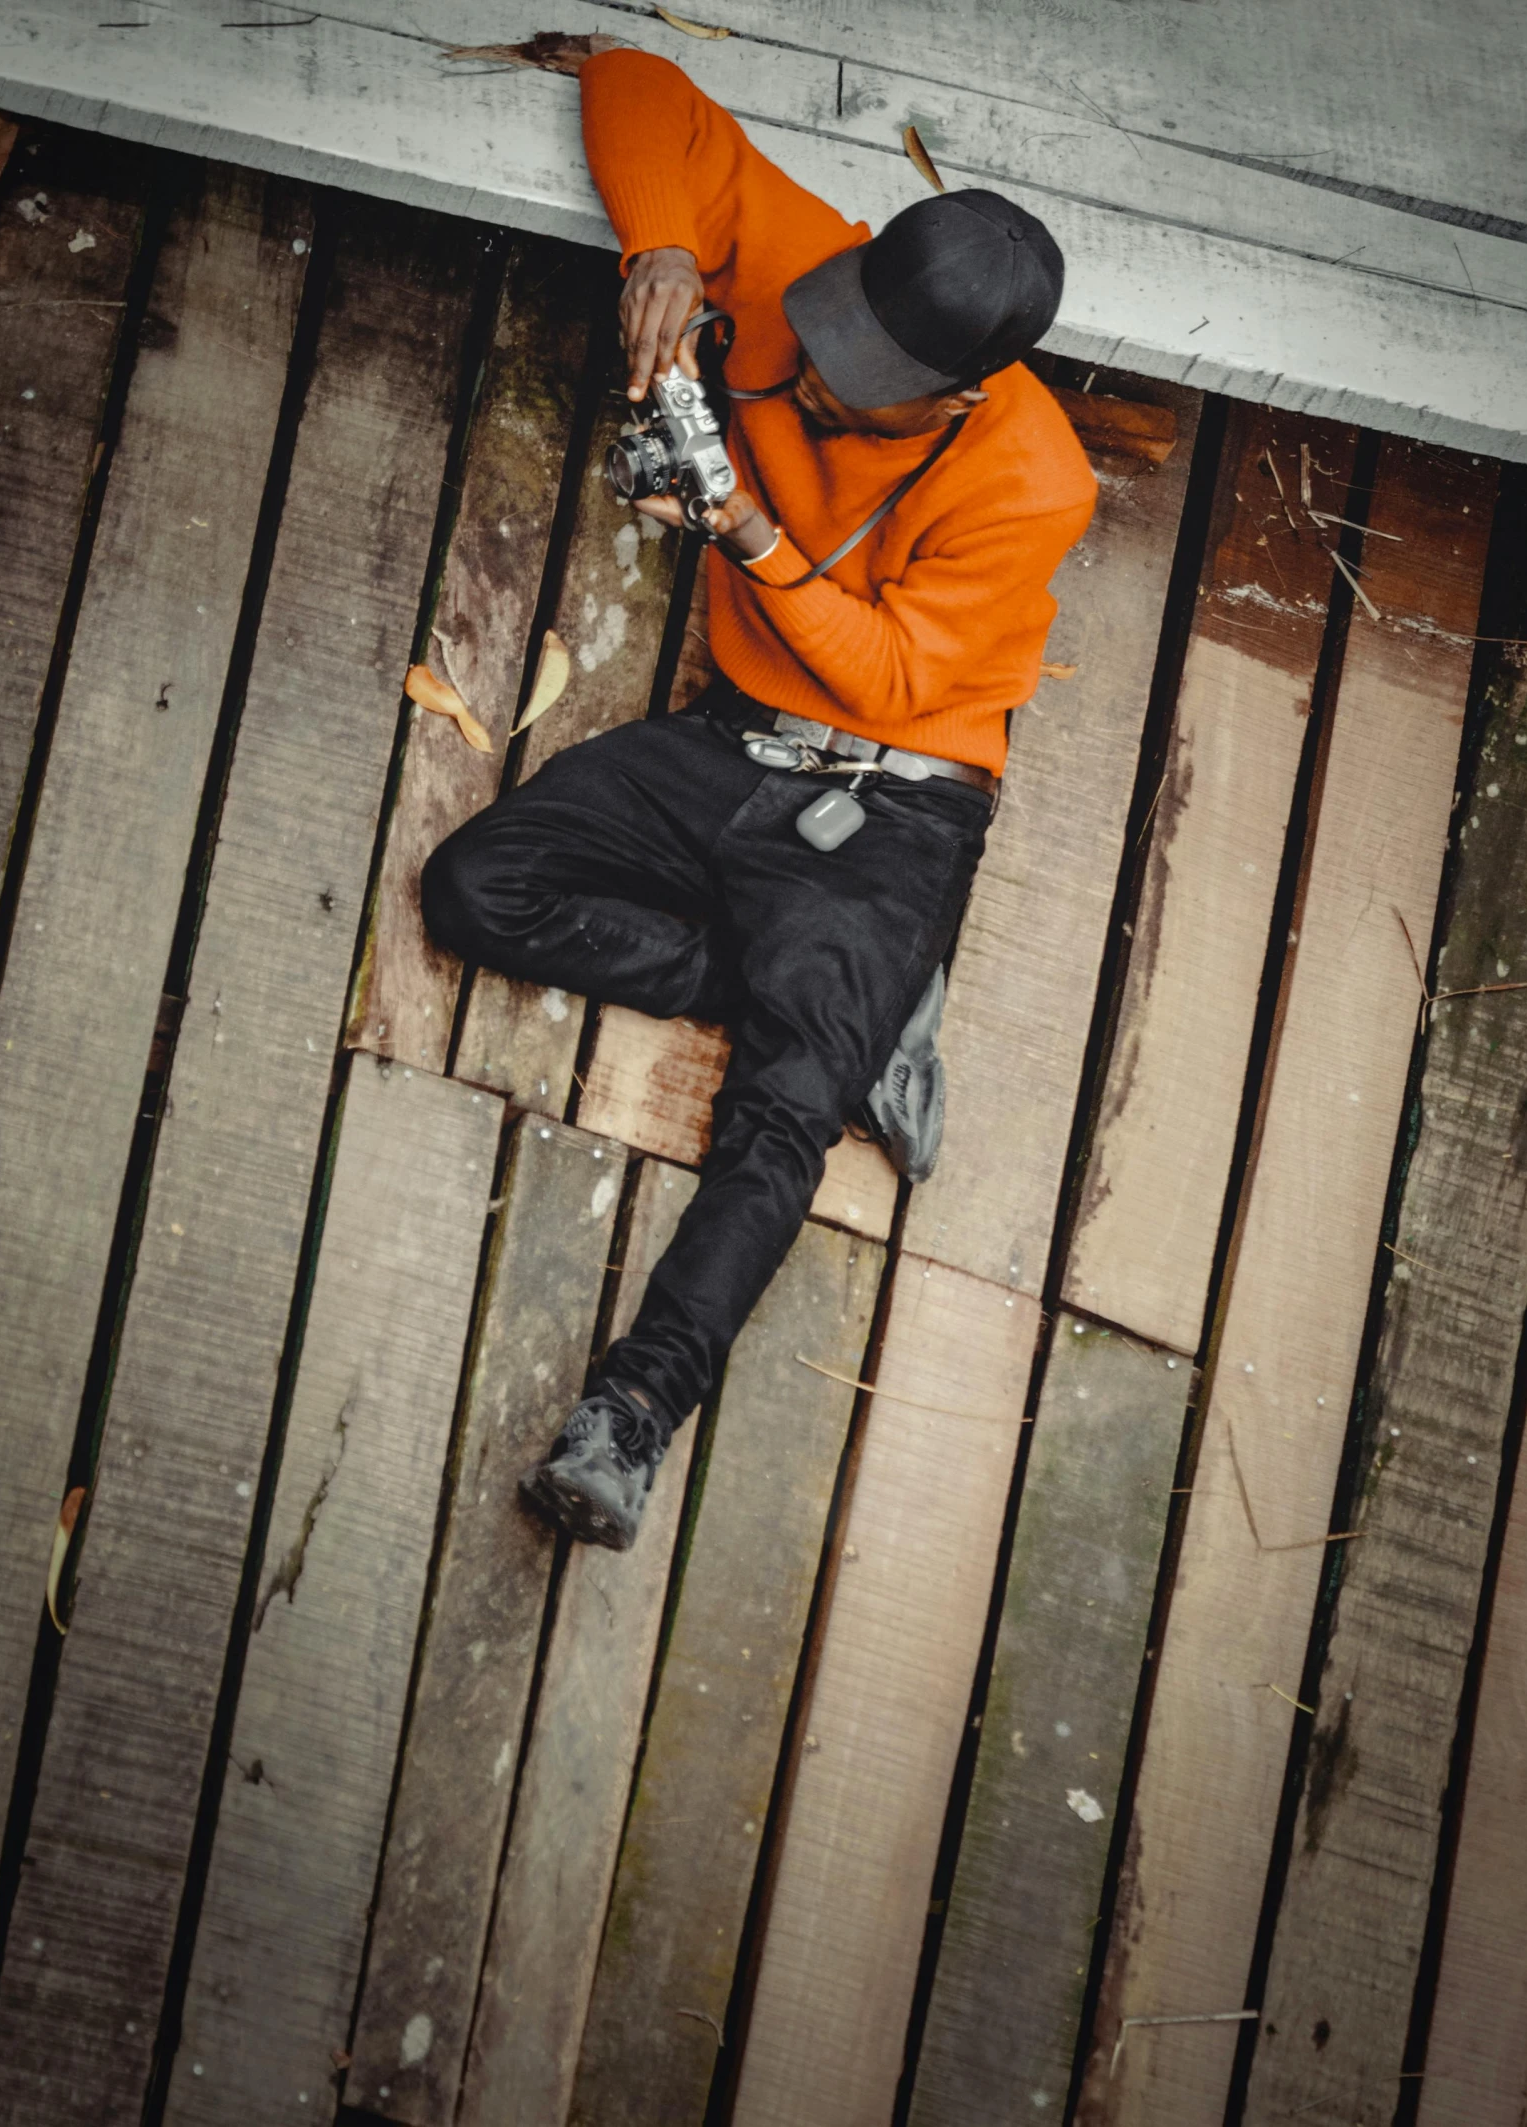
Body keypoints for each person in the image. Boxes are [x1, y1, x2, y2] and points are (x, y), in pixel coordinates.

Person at [421, 47, 1095, 1550]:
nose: (819, 377)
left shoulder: (1037, 480)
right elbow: (631, 77)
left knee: (774, 1129)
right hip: (732, 740)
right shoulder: (817, 271)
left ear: (964, 393)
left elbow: (893, 672)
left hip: (899, 798)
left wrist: (742, 532)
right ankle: (844, 1014)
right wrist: (663, 238)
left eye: (863, 389)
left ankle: (633, 1417)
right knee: (474, 891)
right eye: (828, 339)